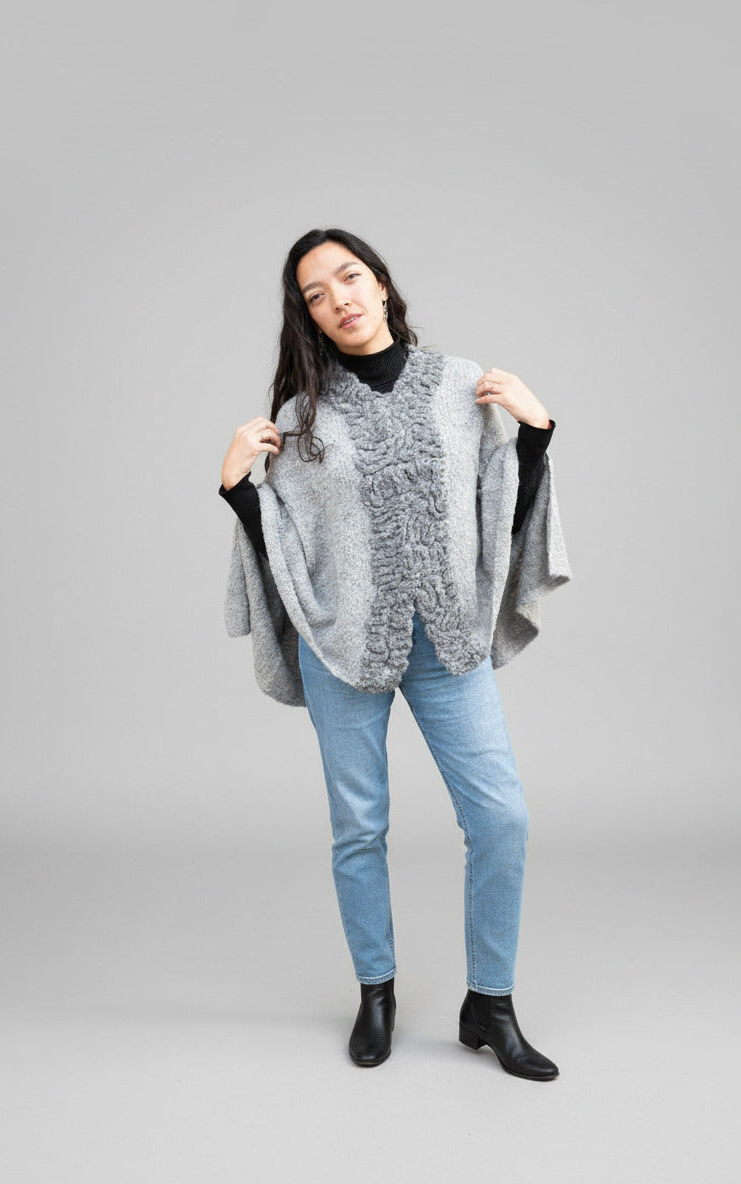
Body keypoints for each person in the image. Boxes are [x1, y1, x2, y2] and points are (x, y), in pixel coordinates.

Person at [218, 228, 572, 1078]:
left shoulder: (460, 385)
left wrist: (535, 434)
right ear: (307, 316)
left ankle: (490, 1003)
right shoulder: (301, 423)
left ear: (380, 283)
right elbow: (291, 554)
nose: (338, 297)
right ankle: (375, 992)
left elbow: (499, 514)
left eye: (349, 277)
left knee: (501, 817)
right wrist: (237, 492)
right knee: (359, 828)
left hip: (447, 641)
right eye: (316, 293)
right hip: (341, 647)